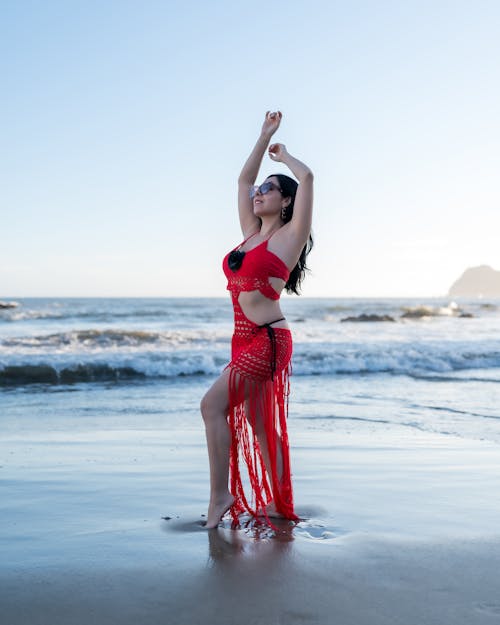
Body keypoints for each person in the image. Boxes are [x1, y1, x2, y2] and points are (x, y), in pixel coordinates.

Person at [200, 111, 313, 529]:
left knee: (211, 406)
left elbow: (310, 180)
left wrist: (286, 159)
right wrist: (264, 135)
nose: (259, 193)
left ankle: (219, 496)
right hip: (242, 340)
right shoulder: (250, 233)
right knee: (261, 426)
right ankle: (281, 505)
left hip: (268, 340)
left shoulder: (288, 238)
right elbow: (243, 182)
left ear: (286, 201)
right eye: (260, 189)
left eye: (270, 189)